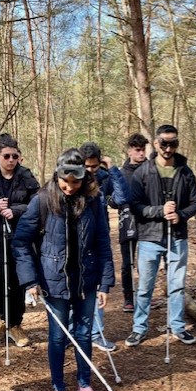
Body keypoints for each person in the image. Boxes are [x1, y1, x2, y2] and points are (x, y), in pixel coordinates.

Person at [12, 149, 115, 391]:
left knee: (83, 334)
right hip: (53, 281)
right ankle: (58, 388)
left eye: (76, 182)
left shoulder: (94, 200)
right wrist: (30, 280)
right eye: (65, 181)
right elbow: (21, 241)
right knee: (58, 337)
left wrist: (105, 283)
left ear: (85, 178)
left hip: (87, 280)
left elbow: (103, 242)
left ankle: (84, 385)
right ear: (57, 175)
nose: (70, 187)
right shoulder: (42, 201)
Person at [125, 124, 196, 347]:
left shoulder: (186, 172)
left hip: (177, 236)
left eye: (173, 143)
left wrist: (180, 215)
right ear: (156, 144)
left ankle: (177, 326)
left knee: (176, 284)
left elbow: (195, 203)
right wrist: (160, 211)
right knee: (145, 286)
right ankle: (139, 328)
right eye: (164, 143)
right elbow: (135, 206)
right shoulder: (142, 173)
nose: (168, 148)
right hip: (150, 237)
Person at [0, 133, 39, 347]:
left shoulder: (25, 175)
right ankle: (5, 319)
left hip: (18, 238)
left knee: (16, 281)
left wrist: (16, 210)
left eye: (14, 156)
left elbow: (36, 201)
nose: (11, 160)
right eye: (6, 156)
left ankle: (15, 323)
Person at [79, 141, 129, 352]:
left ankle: (96, 334)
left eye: (94, 166)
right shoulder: (73, 180)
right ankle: (73, 333)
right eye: (87, 167)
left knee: (97, 287)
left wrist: (113, 170)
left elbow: (121, 198)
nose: (91, 171)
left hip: (98, 239)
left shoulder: (105, 178)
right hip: (77, 240)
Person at [118, 133, 149, 312]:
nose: (141, 154)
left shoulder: (151, 169)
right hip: (128, 221)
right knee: (127, 261)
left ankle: (145, 294)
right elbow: (112, 198)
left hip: (148, 221)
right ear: (130, 151)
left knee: (146, 261)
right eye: (138, 150)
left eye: (143, 150)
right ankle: (128, 297)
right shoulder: (122, 174)